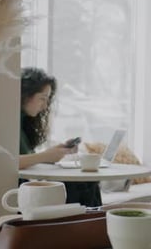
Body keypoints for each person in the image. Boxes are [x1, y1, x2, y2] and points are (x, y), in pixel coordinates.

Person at [20, 67, 102, 206]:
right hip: (21, 188)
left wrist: (56, 152)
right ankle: (90, 224)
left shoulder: (23, 122)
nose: (45, 105)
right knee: (80, 184)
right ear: (25, 95)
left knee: (87, 181)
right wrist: (46, 155)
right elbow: (8, 163)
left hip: (28, 182)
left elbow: (25, 160)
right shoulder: (10, 124)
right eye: (42, 99)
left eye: (47, 100)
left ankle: (92, 224)